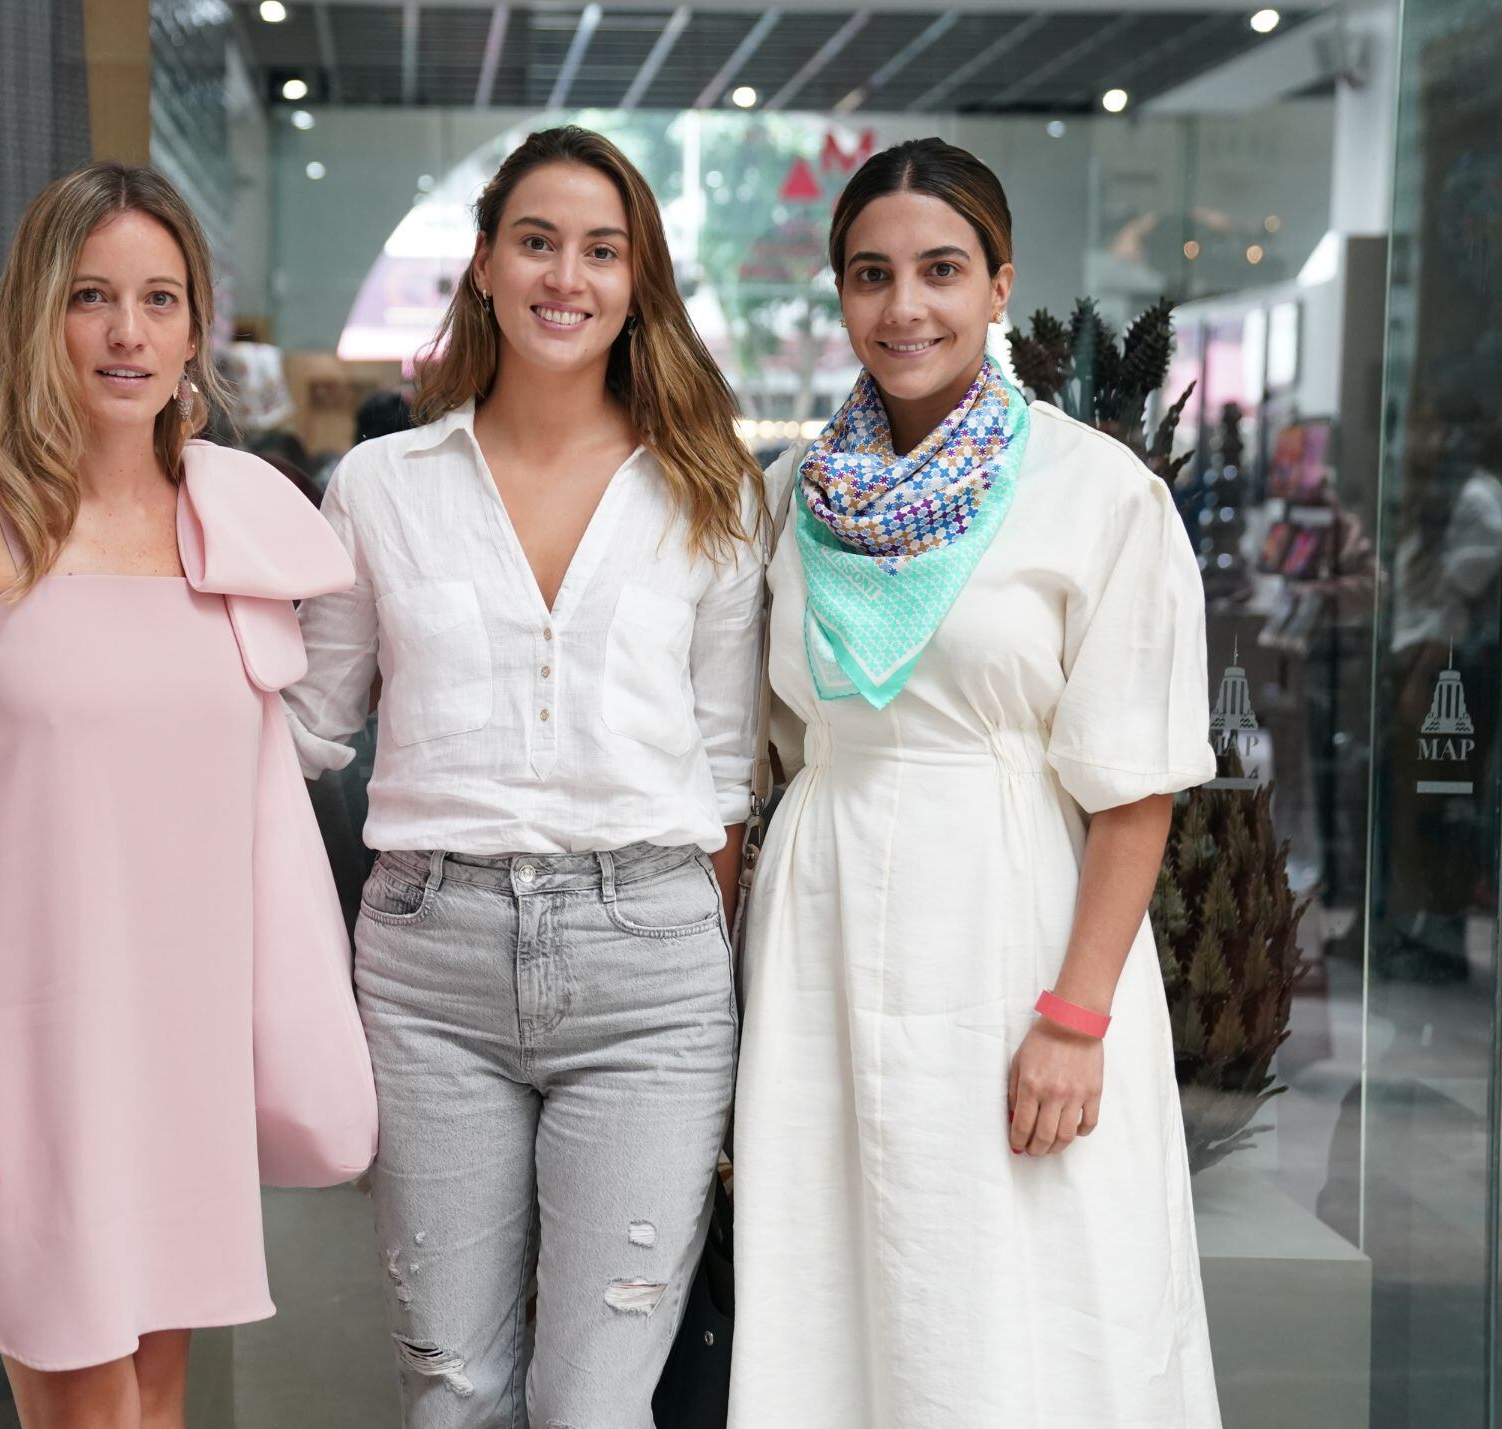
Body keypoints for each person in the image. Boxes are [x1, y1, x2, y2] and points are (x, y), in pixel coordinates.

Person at [729, 138, 1222, 1427]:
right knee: (834, 1283)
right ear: (837, 294)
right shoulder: (790, 498)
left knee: (1028, 1287)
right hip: (821, 929)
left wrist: (1074, 1015)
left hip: (1017, 926)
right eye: (871, 274)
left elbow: (1133, 789)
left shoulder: (1095, 492)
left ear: (1000, 284)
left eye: (941, 270)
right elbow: (761, 749)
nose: (905, 308)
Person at [284, 125, 765, 1428]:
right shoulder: (380, 487)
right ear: (484, 267)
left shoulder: (709, 489)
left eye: (603, 251)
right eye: (537, 242)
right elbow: (311, 727)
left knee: (597, 1401)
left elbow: (727, 772)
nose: (568, 276)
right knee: (450, 1385)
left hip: (650, 979)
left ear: (637, 281)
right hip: (430, 964)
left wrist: (693, 953)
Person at [0, 160, 354, 1429]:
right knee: (92, 1414)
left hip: (178, 1044)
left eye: (158, 298)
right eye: (91, 296)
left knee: (154, 1402)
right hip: (24, 1047)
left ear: (196, 329)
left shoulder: (230, 522)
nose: (126, 332)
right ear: (37, 312)